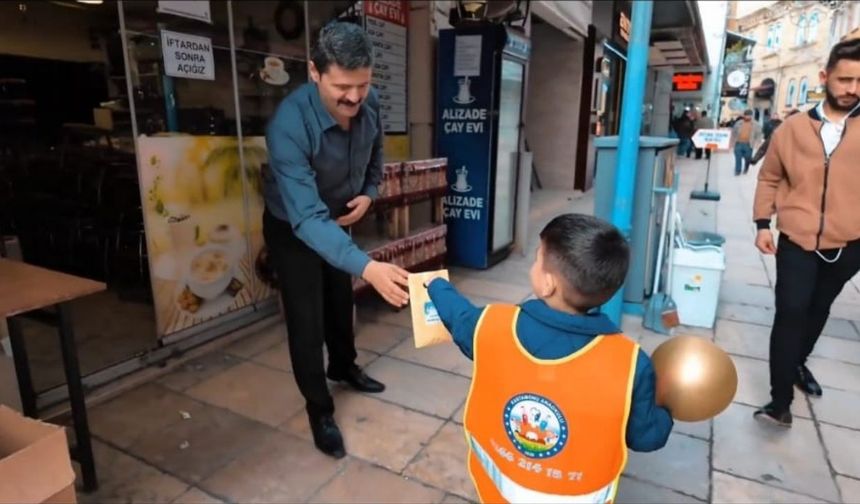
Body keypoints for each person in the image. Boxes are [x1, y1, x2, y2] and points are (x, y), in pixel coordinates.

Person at [426, 214, 673, 502]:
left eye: (537, 259)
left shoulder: (491, 325)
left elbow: (459, 317)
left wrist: (435, 286)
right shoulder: (631, 363)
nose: (534, 264)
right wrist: (668, 407)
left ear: (547, 284)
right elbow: (646, 437)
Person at [262, 21, 410, 458]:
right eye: (343, 87)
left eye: (362, 85)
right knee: (307, 320)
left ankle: (344, 367)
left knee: (339, 299)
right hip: (294, 225)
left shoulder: (371, 102)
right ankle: (319, 409)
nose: (354, 98)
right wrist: (368, 265)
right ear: (314, 72)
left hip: (340, 216)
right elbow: (306, 217)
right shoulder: (288, 125)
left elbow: (377, 152)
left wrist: (370, 192)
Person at [752, 38, 860, 427]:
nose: (852, 89)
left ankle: (798, 363)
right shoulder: (793, 128)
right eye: (845, 79)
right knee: (791, 311)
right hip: (796, 240)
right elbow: (770, 177)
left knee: (818, 309)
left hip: (849, 244)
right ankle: (779, 401)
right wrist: (763, 223)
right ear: (824, 77)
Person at [731, 109, 762, 175]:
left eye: (749, 115)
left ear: (751, 116)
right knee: (738, 157)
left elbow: (759, 134)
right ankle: (737, 170)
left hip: (749, 144)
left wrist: (757, 143)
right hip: (738, 143)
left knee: (748, 158)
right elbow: (733, 132)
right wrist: (732, 142)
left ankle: (746, 168)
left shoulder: (756, 124)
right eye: (746, 115)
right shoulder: (738, 123)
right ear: (744, 115)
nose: (747, 117)